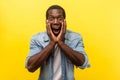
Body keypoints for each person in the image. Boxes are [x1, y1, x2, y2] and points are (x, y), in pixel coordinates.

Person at [25, 5, 90, 80]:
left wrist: (60, 42)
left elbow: (82, 63)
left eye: (60, 18)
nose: (56, 22)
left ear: (64, 21)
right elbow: (30, 67)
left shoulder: (75, 37)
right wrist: (52, 43)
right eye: (51, 19)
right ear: (46, 22)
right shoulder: (37, 39)